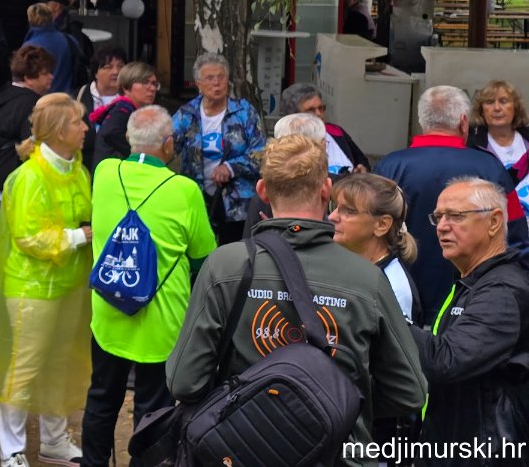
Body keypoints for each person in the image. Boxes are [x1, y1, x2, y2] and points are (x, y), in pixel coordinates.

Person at [167, 135, 428, 458]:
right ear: (326, 190)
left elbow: (184, 382)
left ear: (262, 191)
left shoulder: (225, 266)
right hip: (338, 453)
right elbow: (409, 392)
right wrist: (339, 402)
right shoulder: (367, 278)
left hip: (241, 450)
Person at [81, 106, 216, 467]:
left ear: (128, 137)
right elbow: (204, 256)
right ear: (169, 144)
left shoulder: (105, 173)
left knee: (101, 398)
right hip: (162, 321)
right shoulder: (184, 190)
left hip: (108, 310)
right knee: (153, 412)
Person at [0, 93, 92, 467]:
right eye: (77, 122)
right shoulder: (29, 177)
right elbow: (28, 236)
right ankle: (11, 449)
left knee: (59, 363)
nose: (85, 128)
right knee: (25, 368)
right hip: (31, 288)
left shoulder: (78, 172)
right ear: (60, 131)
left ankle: (54, 440)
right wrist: (78, 237)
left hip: (68, 284)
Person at [374, 85, 527, 317]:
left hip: (400, 302)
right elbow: (516, 238)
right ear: (464, 123)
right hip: (473, 302)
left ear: (422, 122)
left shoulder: (388, 167)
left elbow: (370, 234)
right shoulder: (489, 167)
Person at [410, 178, 529, 465]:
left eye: (455, 216)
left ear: (494, 222)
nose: (441, 226)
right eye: (438, 217)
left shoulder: (502, 290)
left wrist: (383, 315)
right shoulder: (474, 281)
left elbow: (446, 360)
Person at [171, 52, 265, 243]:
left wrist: (230, 168)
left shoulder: (244, 112)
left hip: (238, 202)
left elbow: (260, 152)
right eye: (209, 78)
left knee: (235, 252)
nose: (216, 83)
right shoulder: (186, 114)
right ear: (198, 84)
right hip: (196, 197)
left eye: (221, 77)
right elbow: (166, 147)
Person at [330, 173, 421, 324]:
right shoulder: (340, 264)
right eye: (334, 206)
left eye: (348, 211)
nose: (332, 216)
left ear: (382, 224)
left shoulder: (394, 286)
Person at [0, 45, 55, 210]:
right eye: (45, 73)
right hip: (16, 186)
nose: (51, 77)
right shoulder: (32, 103)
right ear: (28, 77)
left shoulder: (0, 96)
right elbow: (33, 150)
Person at [467, 79, 529, 234]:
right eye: (489, 102)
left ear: (515, 107)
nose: (497, 108)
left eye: (503, 101)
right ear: (482, 110)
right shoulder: (473, 145)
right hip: (494, 229)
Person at [278, 82, 370, 175]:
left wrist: (361, 170)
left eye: (321, 108)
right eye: (310, 110)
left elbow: (361, 160)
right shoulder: (287, 144)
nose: (318, 114)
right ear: (293, 115)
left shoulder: (335, 131)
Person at [88, 61, 157, 168]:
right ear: (126, 87)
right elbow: (111, 132)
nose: (152, 88)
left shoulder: (130, 109)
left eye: (154, 84)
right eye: (145, 83)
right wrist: (138, 154)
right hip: (110, 173)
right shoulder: (122, 109)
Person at [22, 3, 73, 95]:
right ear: (51, 17)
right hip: (67, 96)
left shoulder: (29, 47)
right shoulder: (69, 40)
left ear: (30, 19)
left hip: (40, 97)